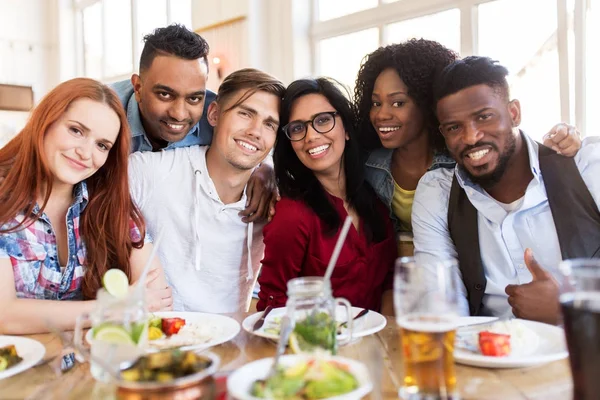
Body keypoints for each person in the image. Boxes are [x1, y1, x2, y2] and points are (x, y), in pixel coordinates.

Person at [412, 56, 600, 324]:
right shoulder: (437, 193)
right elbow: (440, 307)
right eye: (454, 127)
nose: (471, 137)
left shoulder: (587, 166)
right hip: (487, 357)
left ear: (513, 113)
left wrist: (569, 308)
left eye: (484, 117)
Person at [354, 40, 582, 247]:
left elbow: (509, 147)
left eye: (398, 103)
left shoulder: (465, 160)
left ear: (426, 103)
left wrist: (565, 134)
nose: (381, 114)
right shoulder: (369, 166)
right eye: (375, 103)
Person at [0, 78, 172, 335]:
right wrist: (112, 308)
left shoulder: (109, 203)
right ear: (45, 122)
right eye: (76, 130)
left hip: (87, 367)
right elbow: (5, 315)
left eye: (102, 145)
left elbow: (156, 298)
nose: (85, 153)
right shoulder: (5, 199)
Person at [128, 68, 285, 313]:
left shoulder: (274, 198)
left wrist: (271, 169)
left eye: (269, 124)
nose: (255, 131)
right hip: (161, 340)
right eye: (245, 113)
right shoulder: (152, 171)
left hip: (233, 344)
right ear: (213, 114)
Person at [257, 78, 397, 314]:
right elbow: (272, 306)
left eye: (323, 120)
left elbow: (390, 284)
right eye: (298, 128)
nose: (311, 136)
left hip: (377, 342)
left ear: (347, 130)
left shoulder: (374, 201)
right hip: (318, 345)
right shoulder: (292, 216)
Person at [113, 24, 277, 222]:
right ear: (138, 87)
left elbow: (256, 137)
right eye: (165, 94)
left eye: (193, 98)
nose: (179, 114)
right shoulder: (104, 114)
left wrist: (265, 168)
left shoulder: (216, 115)